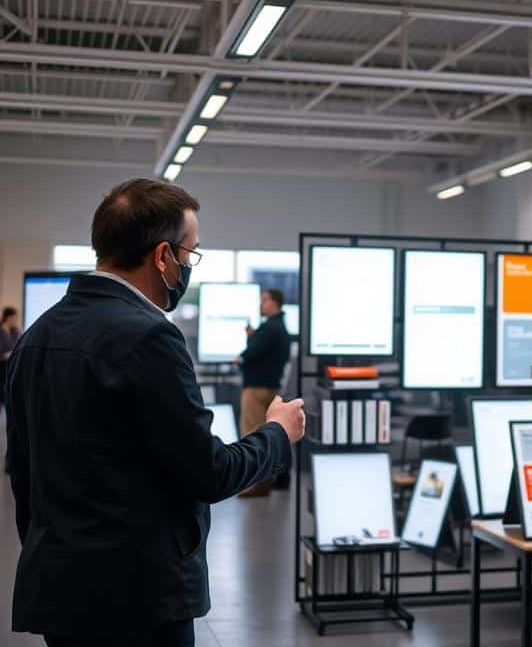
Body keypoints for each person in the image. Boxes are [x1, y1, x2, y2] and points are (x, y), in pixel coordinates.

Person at [5, 178, 305, 647]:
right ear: (163, 257)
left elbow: (22, 474)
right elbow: (209, 473)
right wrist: (277, 434)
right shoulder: (149, 337)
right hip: (139, 599)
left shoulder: (35, 337)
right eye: (191, 254)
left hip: (60, 592)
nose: (189, 266)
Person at [237, 288, 292, 497]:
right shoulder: (280, 327)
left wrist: (244, 352)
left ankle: (258, 483)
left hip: (257, 388)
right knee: (270, 435)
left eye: (265, 300)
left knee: (253, 435)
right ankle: (273, 479)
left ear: (275, 303)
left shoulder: (270, 327)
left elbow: (252, 353)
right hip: (271, 387)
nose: (262, 304)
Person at [1, 306, 20, 474]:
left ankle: (11, 459)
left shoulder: (15, 333)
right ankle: (9, 460)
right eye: (14, 317)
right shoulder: (2, 334)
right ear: (8, 317)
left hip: (10, 379)